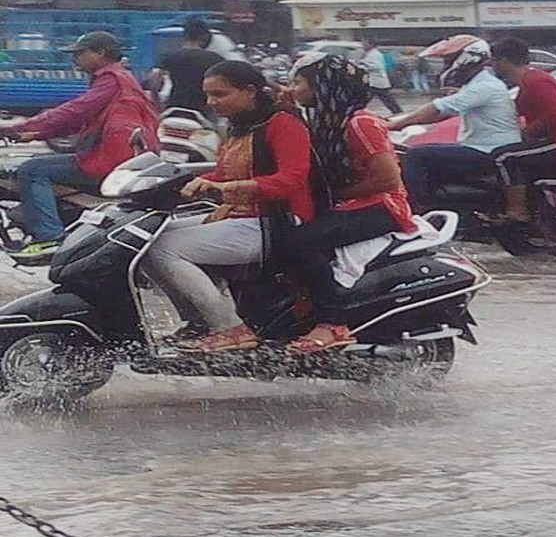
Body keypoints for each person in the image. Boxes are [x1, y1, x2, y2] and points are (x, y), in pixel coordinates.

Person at [144, 61, 314, 350]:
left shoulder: (283, 124)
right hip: (239, 215)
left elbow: (292, 179)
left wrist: (224, 188)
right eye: (208, 95)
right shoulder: (239, 126)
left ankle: (230, 327)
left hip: (276, 222)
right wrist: (177, 181)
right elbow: (222, 174)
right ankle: (199, 322)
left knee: (164, 249)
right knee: (145, 243)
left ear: (249, 91)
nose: (212, 102)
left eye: (220, 95)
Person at [279, 53, 418, 354]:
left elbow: (388, 180)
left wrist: (339, 195)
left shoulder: (360, 123)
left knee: (298, 241)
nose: (294, 89)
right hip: (352, 203)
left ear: (325, 86)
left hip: (383, 207)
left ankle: (332, 322)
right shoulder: (327, 119)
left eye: (300, 82)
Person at [0, 31, 160, 262]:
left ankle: (49, 237)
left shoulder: (112, 79)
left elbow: (75, 110)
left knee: (32, 170)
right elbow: (81, 121)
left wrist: (18, 127)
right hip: (115, 156)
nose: (74, 59)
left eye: (80, 53)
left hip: (110, 161)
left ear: (101, 52)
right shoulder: (118, 78)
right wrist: (34, 133)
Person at [388, 35, 521, 211]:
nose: (445, 65)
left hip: (489, 150)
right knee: (421, 152)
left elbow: (437, 108)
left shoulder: (484, 86)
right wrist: (394, 121)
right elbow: (442, 113)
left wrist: (393, 125)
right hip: (483, 146)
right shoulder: (476, 84)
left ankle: (414, 210)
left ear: (467, 58)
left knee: (416, 155)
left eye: (448, 60)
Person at [489, 37, 556, 223]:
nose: (492, 65)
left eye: (494, 60)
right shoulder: (527, 81)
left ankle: (517, 211)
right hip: (551, 142)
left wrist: (528, 132)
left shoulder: (536, 81)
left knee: (503, 157)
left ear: (504, 61)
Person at [150, 18, 223, 111]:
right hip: (203, 109)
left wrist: (156, 103)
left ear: (184, 36)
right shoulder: (215, 58)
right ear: (204, 37)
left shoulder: (169, 56)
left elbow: (154, 79)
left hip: (174, 106)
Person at [362, 39, 402, 114]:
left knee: (385, 97)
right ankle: (397, 111)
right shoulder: (370, 54)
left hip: (377, 81)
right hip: (374, 81)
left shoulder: (374, 54)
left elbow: (377, 66)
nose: (363, 46)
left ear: (371, 45)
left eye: (365, 44)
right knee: (384, 97)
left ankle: (397, 111)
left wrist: (364, 65)